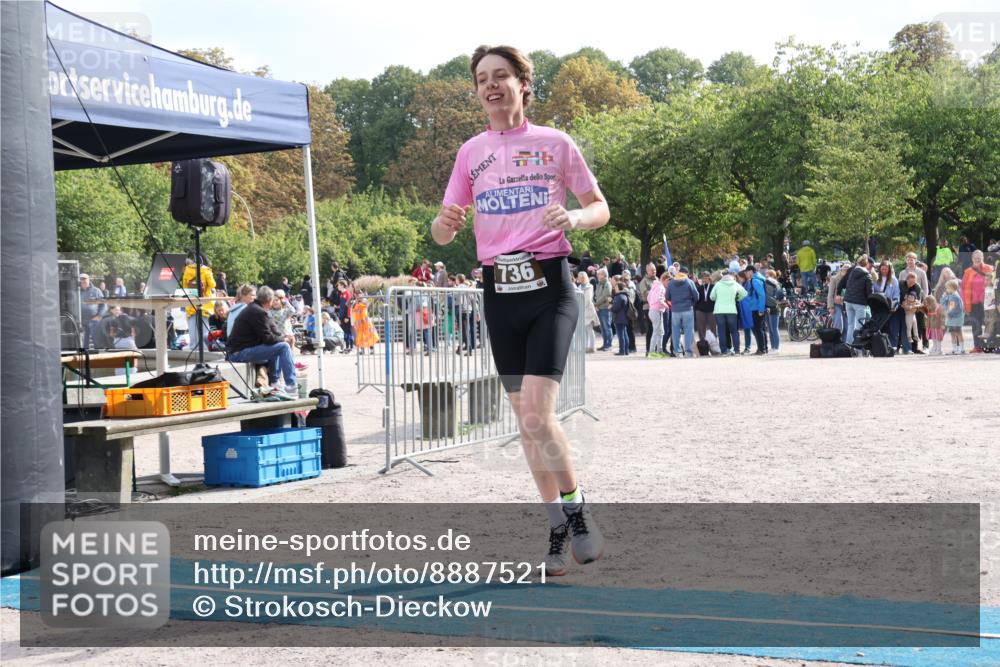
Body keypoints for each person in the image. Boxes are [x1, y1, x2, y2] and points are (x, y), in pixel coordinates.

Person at [433, 44, 609, 575]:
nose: (491, 85)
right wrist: (446, 225)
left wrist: (573, 220)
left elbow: (599, 207)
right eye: (482, 78)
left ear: (522, 84)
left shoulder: (554, 143)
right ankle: (557, 524)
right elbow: (442, 233)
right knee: (526, 423)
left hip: (549, 288)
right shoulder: (471, 153)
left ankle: (577, 512)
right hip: (498, 295)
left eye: (501, 76)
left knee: (538, 414)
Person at [227, 285, 298, 393]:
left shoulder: (257, 309)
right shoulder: (257, 312)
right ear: (269, 301)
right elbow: (268, 339)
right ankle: (291, 385)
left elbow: (273, 329)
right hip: (238, 353)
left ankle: (275, 382)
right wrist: (283, 339)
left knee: (279, 345)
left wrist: (283, 337)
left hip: (240, 350)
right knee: (283, 347)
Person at [961, 249, 995, 352]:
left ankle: (990, 345)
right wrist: (965, 304)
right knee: (976, 324)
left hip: (989, 302)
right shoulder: (968, 272)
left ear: (982, 258)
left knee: (990, 323)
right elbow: (963, 288)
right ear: (972, 259)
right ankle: (978, 346)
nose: (977, 260)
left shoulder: (990, 269)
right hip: (974, 303)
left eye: (979, 258)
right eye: (975, 258)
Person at [181, 253, 215, 351]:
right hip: (205, 304)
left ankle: (193, 347)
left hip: (191, 304)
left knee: (192, 327)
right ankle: (205, 348)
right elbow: (213, 284)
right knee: (205, 328)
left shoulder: (187, 270)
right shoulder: (206, 270)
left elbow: (185, 286)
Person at [710, 270, 747, 355]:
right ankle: (737, 350)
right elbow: (744, 293)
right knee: (734, 331)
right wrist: (737, 298)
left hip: (719, 311)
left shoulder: (718, 284)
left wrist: (718, 298)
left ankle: (724, 351)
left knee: (721, 331)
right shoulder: (734, 283)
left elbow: (711, 297)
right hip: (731, 310)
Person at [666, 266, 698, 357]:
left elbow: (667, 297)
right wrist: (691, 302)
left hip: (675, 310)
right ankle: (688, 352)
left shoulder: (671, 283)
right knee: (688, 331)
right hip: (687, 309)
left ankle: (678, 352)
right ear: (686, 274)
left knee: (675, 331)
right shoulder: (689, 282)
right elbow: (696, 296)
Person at [873, 260, 904, 352]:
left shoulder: (893, 280)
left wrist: (895, 305)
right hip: (879, 307)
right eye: (882, 269)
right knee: (880, 327)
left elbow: (896, 294)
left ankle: (893, 347)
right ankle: (881, 346)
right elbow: (873, 291)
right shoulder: (876, 279)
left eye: (886, 269)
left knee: (893, 328)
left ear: (889, 270)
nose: (884, 271)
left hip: (890, 306)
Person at [843, 255, 873, 345]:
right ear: (866, 264)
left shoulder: (852, 272)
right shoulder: (867, 275)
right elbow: (869, 292)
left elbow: (847, 285)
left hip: (848, 301)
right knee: (860, 325)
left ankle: (848, 344)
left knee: (850, 324)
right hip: (860, 303)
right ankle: (857, 345)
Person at [743, 266, 768, 354]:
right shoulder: (760, 278)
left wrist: (761, 309)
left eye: (746, 272)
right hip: (759, 307)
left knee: (758, 329)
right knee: (762, 329)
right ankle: (764, 348)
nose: (745, 274)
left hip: (757, 308)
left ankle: (761, 349)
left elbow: (762, 295)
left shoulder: (755, 280)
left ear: (750, 271)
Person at [79, 273, 106, 349]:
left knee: (97, 340)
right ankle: (85, 357)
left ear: (89, 280)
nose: (83, 281)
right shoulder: (77, 291)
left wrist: (99, 315)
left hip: (94, 320)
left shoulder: (96, 291)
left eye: (85, 279)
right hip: (81, 321)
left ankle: (100, 357)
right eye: (81, 279)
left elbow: (104, 304)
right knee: (84, 342)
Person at [646, 270, 669, 358]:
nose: (668, 284)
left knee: (660, 331)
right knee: (656, 331)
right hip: (657, 311)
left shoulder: (655, 286)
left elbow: (648, 297)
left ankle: (659, 351)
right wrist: (666, 306)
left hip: (653, 310)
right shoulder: (661, 288)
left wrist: (652, 305)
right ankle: (652, 352)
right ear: (664, 279)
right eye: (668, 282)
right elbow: (660, 299)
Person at [575, 271, 598, 353]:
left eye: (579, 277)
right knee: (584, 330)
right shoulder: (579, 287)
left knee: (589, 330)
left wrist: (580, 306)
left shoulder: (589, 286)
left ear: (583, 278)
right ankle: (585, 347)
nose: (578, 278)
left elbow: (587, 299)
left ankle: (592, 347)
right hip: (582, 311)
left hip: (588, 311)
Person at [941, 279, 966, 354]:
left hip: (955, 318)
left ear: (951, 287)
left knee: (957, 333)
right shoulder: (950, 295)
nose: (946, 290)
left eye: (947, 288)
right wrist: (944, 296)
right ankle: (955, 348)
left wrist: (948, 314)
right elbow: (942, 303)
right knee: (953, 333)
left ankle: (961, 348)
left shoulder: (954, 297)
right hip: (952, 319)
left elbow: (951, 308)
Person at [763, 269, 784, 354]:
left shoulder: (770, 282)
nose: (765, 276)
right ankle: (773, 347)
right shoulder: (775, 283)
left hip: (773, 307)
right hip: (771, 306)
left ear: (771, 275)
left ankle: (776, 348)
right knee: (771, 329)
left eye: (766, 274)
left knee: (774, 329)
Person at [694, 272, 716, 346]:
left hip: (711, 310)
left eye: (706, 278)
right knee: (701, 329)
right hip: (700, 310)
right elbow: (696, 299)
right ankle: (703, 347)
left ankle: (714, 346)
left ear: (709, 278)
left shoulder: (714, 287)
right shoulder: (699, 288)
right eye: (703, 278)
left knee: (712, 329)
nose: (705, 279)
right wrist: (696, 309)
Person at [594, 268, 613, 351]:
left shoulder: (607, 284)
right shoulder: (599, 284)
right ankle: (605, 344)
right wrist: (596, 305)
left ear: (604, 275)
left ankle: (609, 345)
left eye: (599, 274)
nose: (598, 275)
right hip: (599, 308)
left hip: (605, 308)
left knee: (607, 327)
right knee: (602, 328)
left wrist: (595, 304)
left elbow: (605, 296)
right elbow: (596, 295)